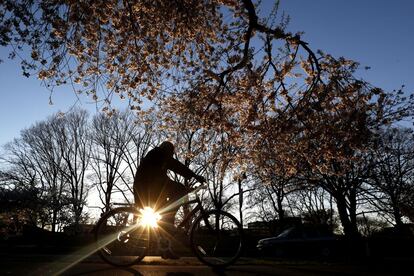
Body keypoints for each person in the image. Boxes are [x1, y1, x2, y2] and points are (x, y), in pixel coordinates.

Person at [133, 141, 205, 259]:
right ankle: (168, 218)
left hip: (149, 189)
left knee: (170, 208)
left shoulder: (158, 160)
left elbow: (169, 172)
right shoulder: (157, 153)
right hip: (147, 189)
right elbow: (175, 165)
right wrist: (194, 176)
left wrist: (189, 178)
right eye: (171, 152)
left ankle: (165, 248)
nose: (171, 155)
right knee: (179, 191)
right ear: (166, 150)